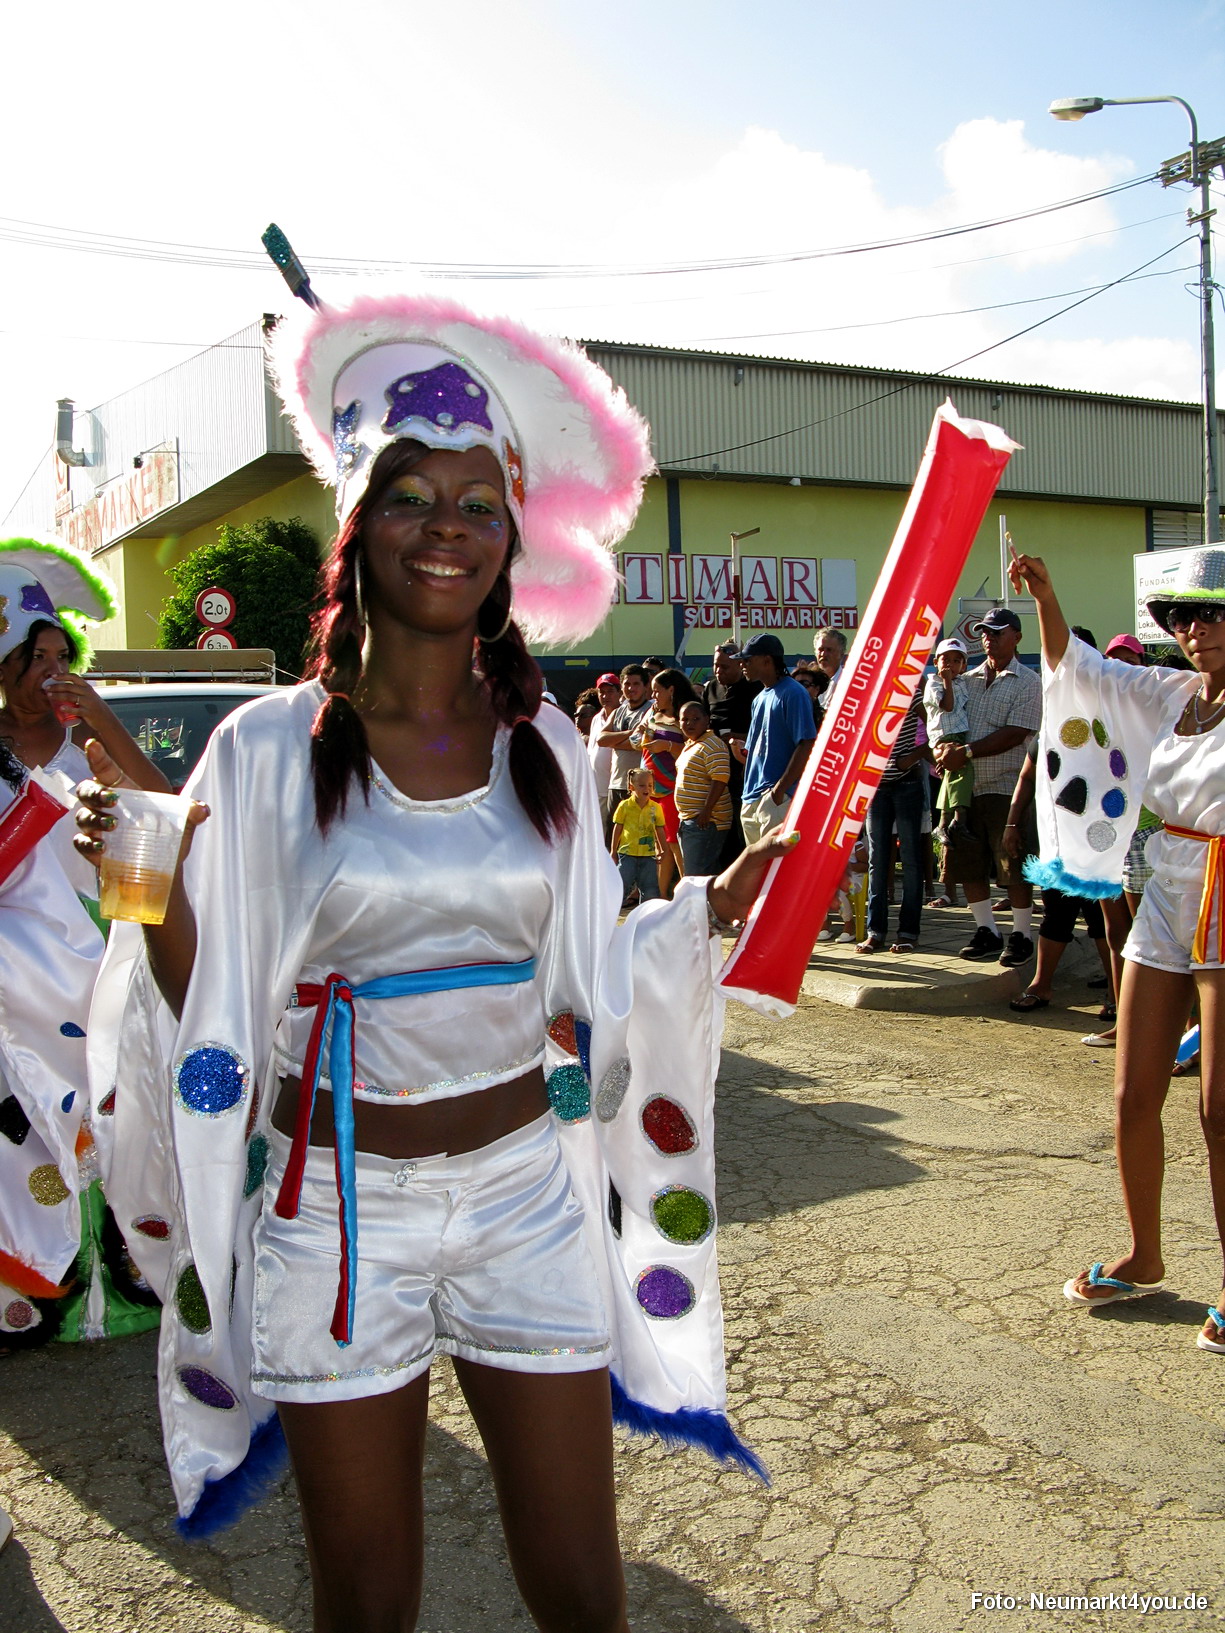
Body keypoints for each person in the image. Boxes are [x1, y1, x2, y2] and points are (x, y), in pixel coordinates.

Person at [79, 290, 787, 1628]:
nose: (446, 522)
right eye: (411, 493)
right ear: (362, 524)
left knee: (585, 1591)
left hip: (529, 1194)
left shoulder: (550, 748)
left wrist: (698, 912)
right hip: (337, 1217)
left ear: (513, 534)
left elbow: (586, 983)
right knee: (364, 1599)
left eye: (477, 498)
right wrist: (147, 885)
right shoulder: (270, 748)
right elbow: (214, 1004)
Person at [1010, 543, 1225, 1357]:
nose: (1195, 629)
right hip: (1165, 887)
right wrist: (1045, 593)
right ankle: (1144, 1252)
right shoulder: (1171, 694)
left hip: (1224, 884)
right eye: (1184, 617)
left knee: (1217, 1111)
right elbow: (1078, 671)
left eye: (1212, 614)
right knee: (1133, 1093)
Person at [0, 539, 167, 1357]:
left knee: (114, 1120)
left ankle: (125, 1281)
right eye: (38, 658)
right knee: (21, 1139)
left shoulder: (84, 752)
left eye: (64, 656)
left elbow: (170, 816)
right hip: (9, 998)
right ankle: (34, 1298)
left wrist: (101, 719)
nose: (53, 673)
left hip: (95, 983)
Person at [936, 606, 1042, 965]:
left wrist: (963, 751)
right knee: (967, 862)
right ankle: (987, 930)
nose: (989, 638)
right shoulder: (966, 679)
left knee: (1012, 865)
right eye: (985, 632)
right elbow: (946, 719)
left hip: (1007, 786)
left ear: (1017, 637)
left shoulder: (1029, 682)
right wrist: (944, 746)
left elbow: (1015, 734)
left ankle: (1022, 935)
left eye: (997, 632)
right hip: (965, 789)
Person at [1003, 743, 1112, 1015]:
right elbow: (1027, 777)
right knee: (1056, 911)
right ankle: (1041, 984)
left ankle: (1116, 990)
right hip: (1057, 839)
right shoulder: (1047, 732)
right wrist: (1012, 823)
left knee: (1101, 916)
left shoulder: (1107, 722)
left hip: (1101, 837)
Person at [857, 694, 929, 954]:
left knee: (910, 858)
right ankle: (875, 931)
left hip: (907, 783)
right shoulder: (867, 691)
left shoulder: (911, 690)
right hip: (875, 786)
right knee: (877, 859)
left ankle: (909, 932)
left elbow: (938, 723)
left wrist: (915, 755)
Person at [738, 634, 817, 844]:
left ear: (767, 660)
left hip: (775, 798)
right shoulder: (759, 698)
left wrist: (779, 791)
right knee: (757, 873)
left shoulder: (794, 693)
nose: (742, 664)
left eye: (748, 659)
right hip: (753, 797)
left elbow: (807, 743)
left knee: (777, 872)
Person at [702, 642, 761, 867]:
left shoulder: (754, 688)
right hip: (715, 766)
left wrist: (740, 736)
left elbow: (762, 729)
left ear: (739, 664)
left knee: (740, 825)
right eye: (716, 666)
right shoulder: (710, 688)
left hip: (743, 767)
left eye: (725, 667)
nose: (719, 671)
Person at [639, 666, 695, 898]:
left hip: (672, 790)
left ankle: (687, 896)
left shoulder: (684, 717)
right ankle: (658, 899)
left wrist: (668, 746)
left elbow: (694, 750)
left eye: (657, 691)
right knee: (659, 848)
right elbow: (638, 743)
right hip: (649, 789)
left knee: (674, 845)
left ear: (671, 690)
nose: (653, 696)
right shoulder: (652, 713)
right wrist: (643, 733)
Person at [922, 637, 972, 845]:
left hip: (959, 734)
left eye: (956, 660)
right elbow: (948, 706)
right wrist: (947, 682)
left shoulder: (963, 682)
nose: (950, 664)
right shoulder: (934, 683)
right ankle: (958, 819)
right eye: (946, 660)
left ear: (963, 665)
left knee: (952, 776)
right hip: (946, 736)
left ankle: (944, 822)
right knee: (962, 771)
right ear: (936, 662)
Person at [674, 699, 732, 877]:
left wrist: (706, 811)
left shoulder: (713, 745)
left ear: (707, 720)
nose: (689, 723)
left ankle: (698, 906)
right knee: (705, 877)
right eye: (685, 719)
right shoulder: (692, 744)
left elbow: (720, 779)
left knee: (694, 878)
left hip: (706, 821)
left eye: (695, 719)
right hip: (690, 820)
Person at [597, 664, 651, 829]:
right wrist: (629, 733)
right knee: (613, 838)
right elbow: (601, 739)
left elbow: (640, 744)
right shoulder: (618, 712)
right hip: (616, 784)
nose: (631, 688)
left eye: (636, 684)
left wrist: (615, 742)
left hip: (639, 786)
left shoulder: (650, 710)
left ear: (645, 686)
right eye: (627, 684)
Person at [609, 767, 664, 907]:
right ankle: (611, 911)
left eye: (650, 785)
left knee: (650, 887)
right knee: (622, 883)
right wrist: (613, 850)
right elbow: (618, 828)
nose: (647, 788)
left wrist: (663, 849)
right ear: (631, 787)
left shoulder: (656, 808)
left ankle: (648, 916)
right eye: (642, 785)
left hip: (648, 854)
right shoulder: (624, 806)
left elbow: (659, 830)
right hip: (627, 853)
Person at [586, 672, 621, 836]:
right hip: (596, 789)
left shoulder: (624, 716)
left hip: (615, 789)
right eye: (602, 692)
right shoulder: (596, 718)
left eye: (610, 691)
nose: (605, 696)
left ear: (619, 693)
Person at [812, 626, 848, 716]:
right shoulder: (807, 682)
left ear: (841, 654)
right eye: (821, 649)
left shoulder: (849, 683)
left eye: (829, 650)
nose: (824, 654)